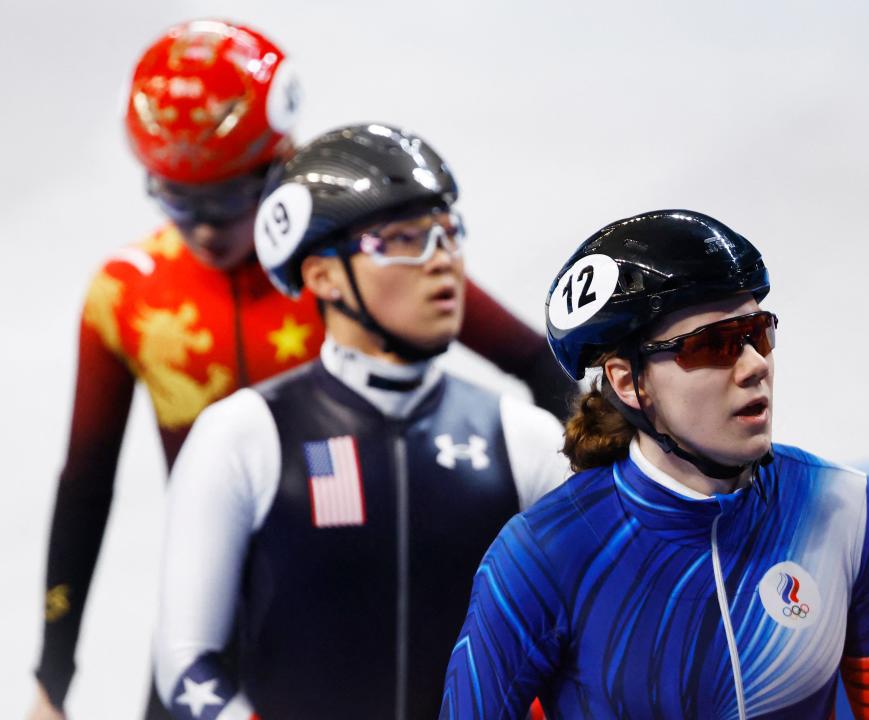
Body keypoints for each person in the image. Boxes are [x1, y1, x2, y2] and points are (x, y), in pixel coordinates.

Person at [30, 19, 573, 720]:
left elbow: (543, 367)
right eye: (174, 198)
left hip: (351, 610)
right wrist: (53, 674)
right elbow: (85, 490)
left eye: (226, 198)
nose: (202, 228)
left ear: (278, 162)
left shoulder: (358, 268)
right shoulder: (123, 295)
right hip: (215, 614)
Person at [440, 209, 869, 719]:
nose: (754, 365)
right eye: (713, 346)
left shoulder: (845, 509)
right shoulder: (541, 557)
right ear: (630, 382)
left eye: (757, 333)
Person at [152, 124, 570, 719]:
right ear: (321, 276)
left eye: (448, 236)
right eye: (404, 239)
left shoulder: (524, 438)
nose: (442, 263)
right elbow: (187, 661)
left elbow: (598, 648)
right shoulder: (242, 435)